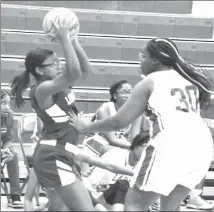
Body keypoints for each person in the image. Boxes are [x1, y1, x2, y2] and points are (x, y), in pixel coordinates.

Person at [69, 37, 214, 211]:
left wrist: (85, 127)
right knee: (170, 207)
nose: (140, 60)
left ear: (155, 59)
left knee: (134, 205)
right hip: (201, 146)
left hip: (171, 144)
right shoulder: (188, 79)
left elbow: (118, 122)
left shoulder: (150, 82)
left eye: (143, 55)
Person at [10, 18, 133, 211]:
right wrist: (64, 39)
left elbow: (85, 70)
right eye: (52, 63)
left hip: (65, 152)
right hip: (54, 154)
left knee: (59, 209)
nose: (58, 65)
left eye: (58, 61)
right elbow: (75, 73)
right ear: (39, 70)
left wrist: (74, 41)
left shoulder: (60, 84)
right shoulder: (41, 90)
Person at [89, 133, 149, 211]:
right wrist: (110, 188)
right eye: (145, 148)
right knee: (123, 184)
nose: (147, 153)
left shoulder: (144, 168)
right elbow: (93, 183)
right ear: (135, 145)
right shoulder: (115, 154)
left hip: (119, 207)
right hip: (98, 200)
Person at [1, 90, 23, 208]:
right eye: (3, 103)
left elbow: (8, 137)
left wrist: (8, 148)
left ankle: (15, 196)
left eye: (9, 103)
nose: (7, 107)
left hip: (2, 151)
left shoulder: (9, 115)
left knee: (13, 156)